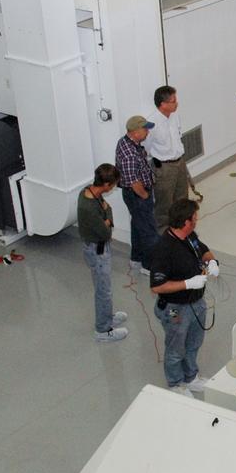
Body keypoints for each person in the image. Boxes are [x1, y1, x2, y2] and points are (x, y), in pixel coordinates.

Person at [148, 198, 216, 397]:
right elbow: (157, 286)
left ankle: (190, 376)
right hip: (174, 308)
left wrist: (212, 262)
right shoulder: (164, 250)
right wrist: (187, 283)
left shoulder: (189, 236)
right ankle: (175, 383)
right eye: (195, 217)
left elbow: (203, 250)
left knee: (194, 342)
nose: (197, 220)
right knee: (176, 347)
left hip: (196, 303)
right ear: (186, 221)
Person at [77, 163, 128, 343]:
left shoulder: (88, 192)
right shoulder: (89, 207)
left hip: (97, 246)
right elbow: (106, 231)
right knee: (103, 290)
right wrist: (107, 221)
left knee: (103, 288)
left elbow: (109, 211)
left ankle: (107, 316)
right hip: (97, 251)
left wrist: (106, 219)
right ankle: (103, 330)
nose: (113, 187)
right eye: (112, 184)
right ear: (106, 184)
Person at [145, 85, 198, 233]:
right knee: (164, 203)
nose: (177, 103)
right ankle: (164, 233)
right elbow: (147, 147)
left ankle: (183, 228)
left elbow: (178, 138)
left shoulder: (175, 116)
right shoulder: (151, 123)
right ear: (163, 104)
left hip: (179, 162)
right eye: (173, 101)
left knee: (182, 198)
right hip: (164, 168)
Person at [114, 115, 156, 274]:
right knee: (148, 229)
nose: (147, 132)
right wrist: (145, 195)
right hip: (137, 195)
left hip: (135, 194)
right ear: (135, 131)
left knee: (138, 226)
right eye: (145, 129)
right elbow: (133, 181)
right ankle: (149, 266)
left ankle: (136, 259)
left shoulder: (125, 142)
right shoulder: (130, 154)